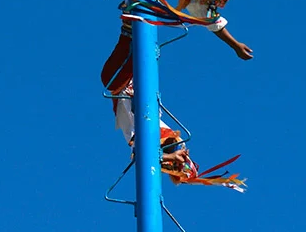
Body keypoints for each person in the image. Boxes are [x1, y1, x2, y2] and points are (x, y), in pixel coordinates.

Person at [100, 23, 245, 191]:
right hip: (130, 86)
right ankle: (131, 25)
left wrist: (170, 156)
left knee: (127, 61)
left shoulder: (144, 135)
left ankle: (130, 28)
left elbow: (140, 155)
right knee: (136, 52)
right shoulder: (161, 130)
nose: (184, 151)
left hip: (122, 87)